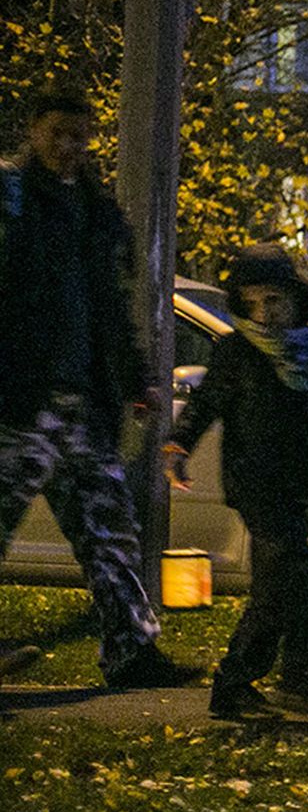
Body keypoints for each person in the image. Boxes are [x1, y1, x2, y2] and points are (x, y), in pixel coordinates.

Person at [0, 87, 199, 688]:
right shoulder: (12, 199)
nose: (67, 148)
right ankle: (130, 648)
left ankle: (131, 650)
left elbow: (110, 307)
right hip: (20, 398)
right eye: (56, 134)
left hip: (82, 400)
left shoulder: (95, 211)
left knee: (109, 528)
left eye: (78, 136)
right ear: (34, 131)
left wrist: (137, 378)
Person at [166, 245, 308, 719]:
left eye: (272, 300)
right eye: (252, 303)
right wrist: (178, 447)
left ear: (294, 299)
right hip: (255, 483)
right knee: (295, 584)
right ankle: (257, 683)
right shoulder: (237, 352)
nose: (264, 313)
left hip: (295, 483)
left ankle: (271, 684)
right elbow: (204, 404)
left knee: (289, 588)